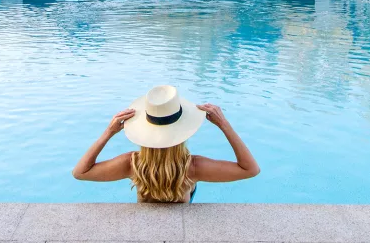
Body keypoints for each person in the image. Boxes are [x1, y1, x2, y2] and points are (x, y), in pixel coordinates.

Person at [72, 85, 260, 203]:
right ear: (182, 131)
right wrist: (224, 125)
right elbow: (250, 169)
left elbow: (80, 172)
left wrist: (108, 132)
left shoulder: (132, 164)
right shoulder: (193, 167)